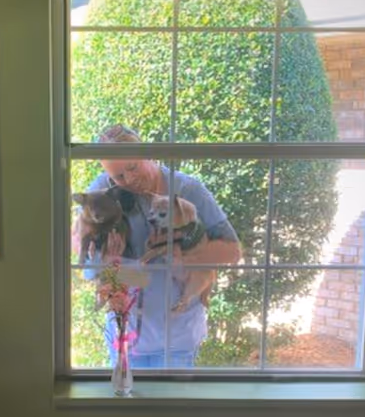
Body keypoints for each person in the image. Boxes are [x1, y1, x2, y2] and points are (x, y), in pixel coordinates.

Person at [77, 124, 242, 368]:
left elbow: (233, 251)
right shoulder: (103, 191)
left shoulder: (188, 190)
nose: (129, 179)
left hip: (178, 339)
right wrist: (108, 263)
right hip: (126, 337)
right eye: (118, 177)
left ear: (148, 152)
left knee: (173, 405)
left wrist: (185, 255)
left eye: (133, 167)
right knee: (126, 404)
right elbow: (88, 269)